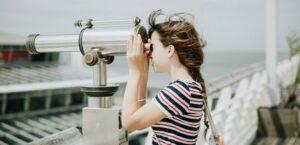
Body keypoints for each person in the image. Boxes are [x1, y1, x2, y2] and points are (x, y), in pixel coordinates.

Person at [121, 10, 209, 145]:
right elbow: (139, 120)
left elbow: (128, 123)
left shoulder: (180, 90)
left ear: (170, 50)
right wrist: (143, 72)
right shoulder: (189, 87)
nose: (149, 54)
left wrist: (134, 71)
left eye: (153, 47)